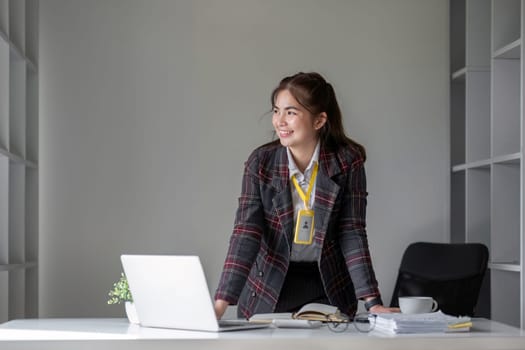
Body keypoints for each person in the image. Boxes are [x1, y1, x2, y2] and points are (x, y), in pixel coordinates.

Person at [214, 72, 399, 320]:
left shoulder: (347, 161)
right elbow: (246, 232)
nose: (280, 121)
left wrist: (372, 302)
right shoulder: (260, 163)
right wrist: (219, 306)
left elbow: (351, 232)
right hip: (269, 284)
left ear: (319, 120)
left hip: (327, 286)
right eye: (276, 111)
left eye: (291, 112)